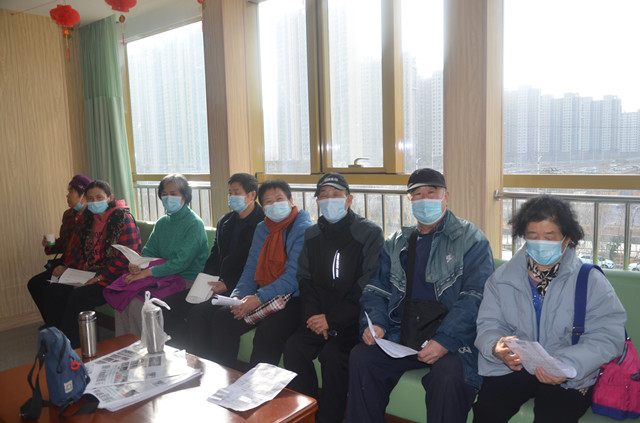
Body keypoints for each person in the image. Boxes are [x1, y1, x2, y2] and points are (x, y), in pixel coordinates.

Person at [347, 168, 494, 423]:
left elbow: (475, 296)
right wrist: (376, 324)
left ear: (446, 196)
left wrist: (444, 340)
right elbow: (376, 289)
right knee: (363, 357)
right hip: (405, 333)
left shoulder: (471, 239)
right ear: (410, 200)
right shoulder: (397, 241)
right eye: (417, 194)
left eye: (431, 192)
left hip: (455, 341)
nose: (424, 199)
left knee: (448, 376)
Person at [473, 195, 626, 423]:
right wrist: (495, 346)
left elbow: (608, 337)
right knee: (487, 409)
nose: (540, 243)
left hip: (570, 372)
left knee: (553, 416)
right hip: (518, 367)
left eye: (549, 236)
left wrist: (567, 365)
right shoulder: (502, 278)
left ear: (567, 239)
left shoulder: (590, 280)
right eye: (533, 236)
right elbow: (489, 323)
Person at [283, 173, 384, 423]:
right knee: (294, 348)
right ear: (317, 201)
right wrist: (313, 317)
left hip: (352, 320)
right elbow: (305, 279)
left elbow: (368, 284)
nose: (330, 200)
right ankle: (305, 414)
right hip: (318, 317)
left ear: (349, 199)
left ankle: (330, 418)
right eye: (324, 195)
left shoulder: (369, 233)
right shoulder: (312, 234)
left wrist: (333, 319)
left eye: (336, 195)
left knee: (333, 357)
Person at [187, 180, 312, 368]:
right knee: (224, 318)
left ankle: (258, 384)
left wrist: (258, 298)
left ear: (291, 200)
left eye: (279, 199)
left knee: (269, 331)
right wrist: (237, 298)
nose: (274, 204)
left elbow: (293, 277)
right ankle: (223, 376)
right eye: (268, 202)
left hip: (292, 299)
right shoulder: (263, 228)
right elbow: (251, 268)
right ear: (263, 207)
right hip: (262, 293)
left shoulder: (302, 228)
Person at [162, 173, 264, 349]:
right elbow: (215, 255)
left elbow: (256, 266)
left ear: (252, 195)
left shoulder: (263, 224)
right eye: (230, 193)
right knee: (166, 307)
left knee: (197, 314)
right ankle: (185, 353)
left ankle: (201, 359)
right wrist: (206, 282)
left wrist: (227, 284)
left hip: (242, 289)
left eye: (236, 192)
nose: (232, 197)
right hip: (217, 284)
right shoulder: (225, 221)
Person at [105, 174, 209, 338]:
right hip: (160, 277)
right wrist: (137, 264)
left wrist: (146, 273)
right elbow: (149, 252)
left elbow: (180, 263)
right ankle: (127, 347)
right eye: (164, 194)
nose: (168, 198)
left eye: (173, 194)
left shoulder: (194, 224)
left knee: (138, 305)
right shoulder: (162, 223)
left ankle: (147, 348)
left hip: (186, 280)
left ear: (185, 196)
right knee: (124, 298)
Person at [42, 180, 141, 347]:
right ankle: (59, 338)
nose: (94, 202)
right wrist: (72, 271)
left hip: (115, 276)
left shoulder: (123, 220)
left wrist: (99, 277)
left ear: (110, 198)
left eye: (99, 197)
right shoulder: (90, 220)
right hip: (92, 273)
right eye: (90, 199)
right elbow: (82, 252)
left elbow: (127, 257)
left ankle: (75, 348)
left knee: (80, 296)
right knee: (55, 289)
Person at [28, 174, 91, 326]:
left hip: (82, 268)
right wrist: (50, 245)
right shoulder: (68, 215)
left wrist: (67, 268)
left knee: (52, 290)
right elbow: (65, 243)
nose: (67, 195)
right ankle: (53, 324)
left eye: (71, 192)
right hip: (66, 264)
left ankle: (58, 326)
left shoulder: (92, 217)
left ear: (83, 195)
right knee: (34, 284)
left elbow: (89, 252)